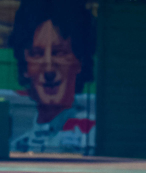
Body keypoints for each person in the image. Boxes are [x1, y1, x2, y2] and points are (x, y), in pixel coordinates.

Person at [8, 0, 96, 152]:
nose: (49, 70)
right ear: (25, 67)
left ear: (80, 61)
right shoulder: (19, 144)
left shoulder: (92, 133)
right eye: (37, 54)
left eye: (59, 53)